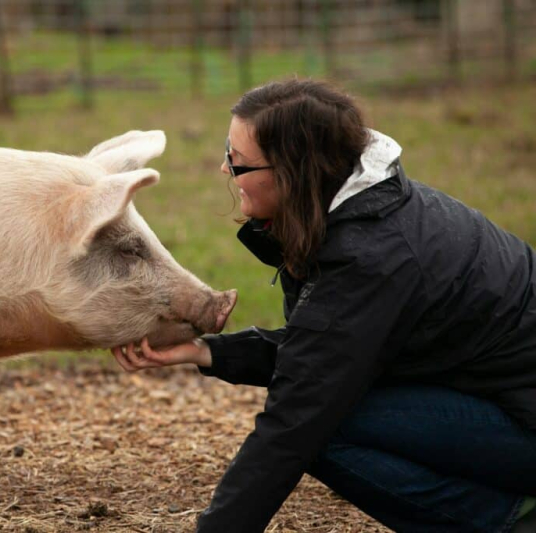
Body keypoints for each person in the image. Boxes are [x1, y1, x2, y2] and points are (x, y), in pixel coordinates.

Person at [111, 79, 536, 533]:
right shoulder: (362, 207)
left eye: (237, 160)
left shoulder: (371, 256)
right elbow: (331, 348)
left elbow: (300, 413)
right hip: (500, 396)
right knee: (329, 406)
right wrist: (208, 352)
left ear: (292, 172)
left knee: (325, 427)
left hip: (522, 419)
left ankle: (509, 520)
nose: (223, 168)